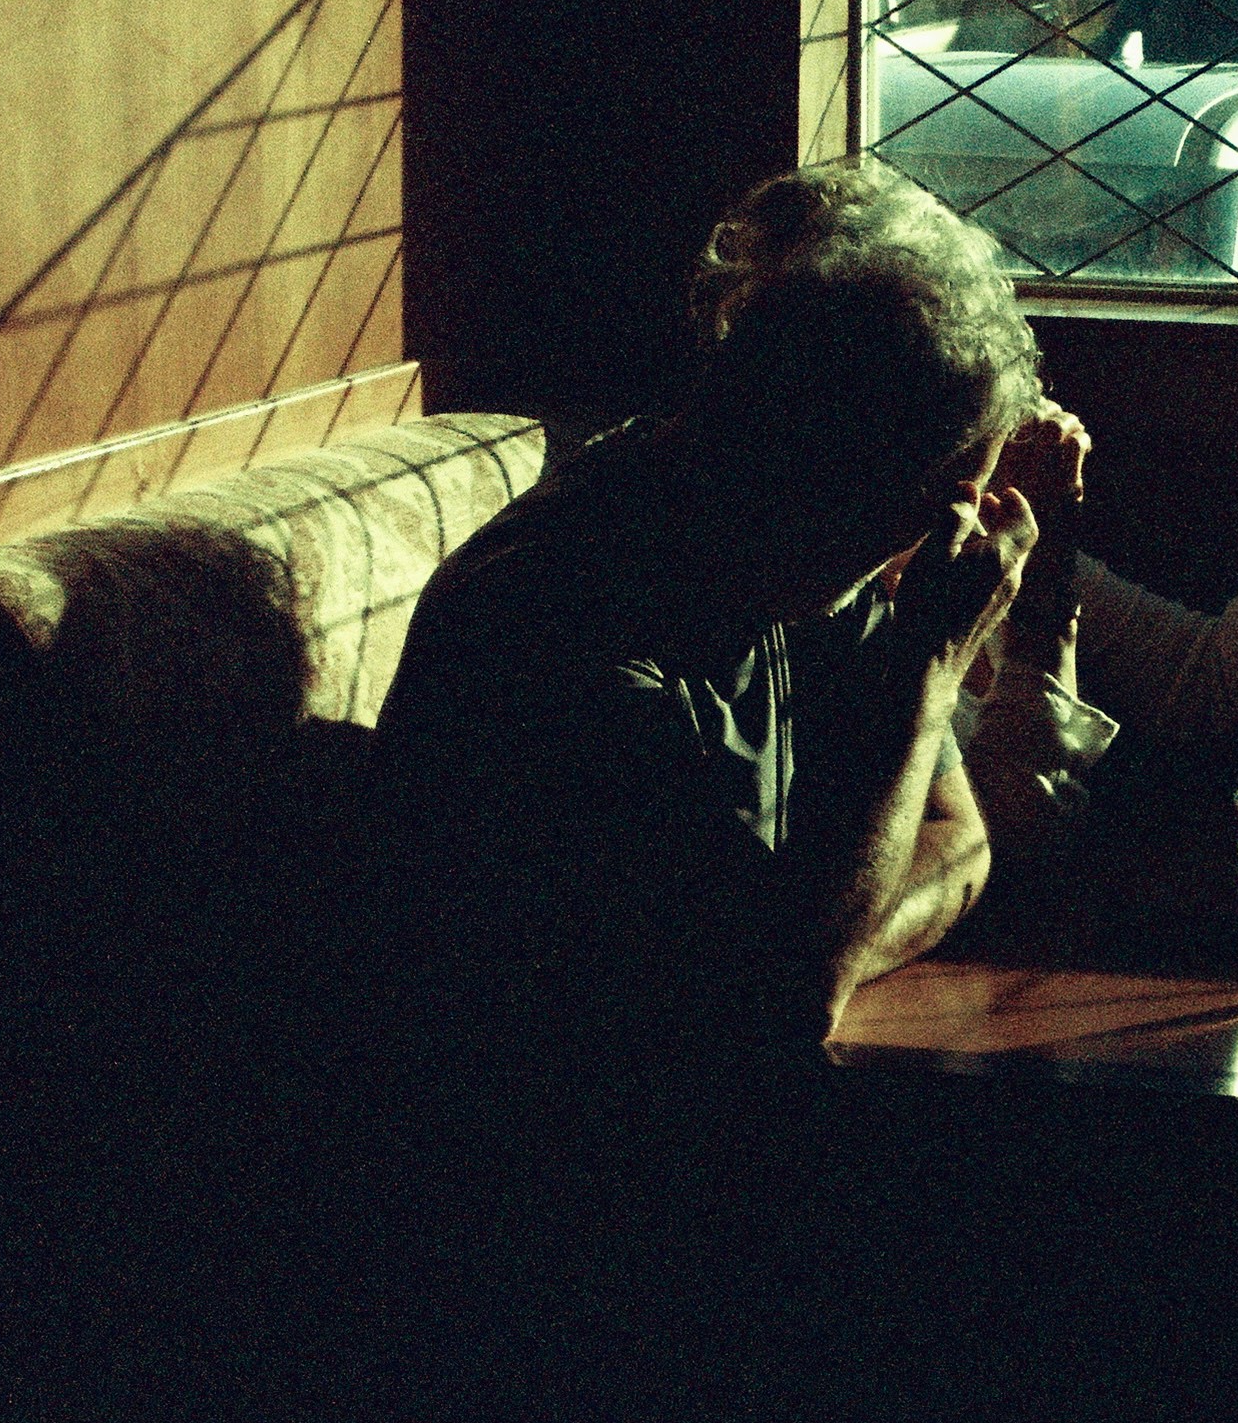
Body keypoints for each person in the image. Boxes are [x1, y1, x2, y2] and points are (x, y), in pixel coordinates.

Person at [373, 159, 1042, 1052]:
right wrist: (928, 669)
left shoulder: (797, 543)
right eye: (948, 492)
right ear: (852, 466)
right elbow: (782, 1005)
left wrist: (827, 947)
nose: (948, 525)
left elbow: (958, 843)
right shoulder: (553, 634)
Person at [953, 356, 1238, 859]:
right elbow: (1008, 847)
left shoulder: (988, 547)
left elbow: (1219, 686)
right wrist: (1045, 568)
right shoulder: (867, 614)